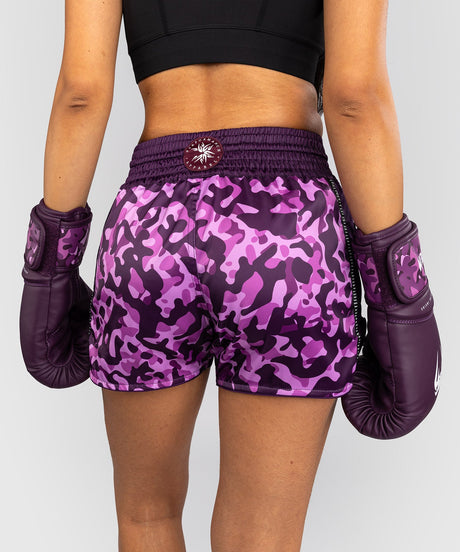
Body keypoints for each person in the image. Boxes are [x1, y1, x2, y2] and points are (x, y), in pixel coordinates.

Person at [18, 1, 441, 551]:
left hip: (150, 231)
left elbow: (81, 93)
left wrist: (49, 264)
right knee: (260, 538)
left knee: (146, 517)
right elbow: (354, 98)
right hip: (285, 234)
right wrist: (396, 290)